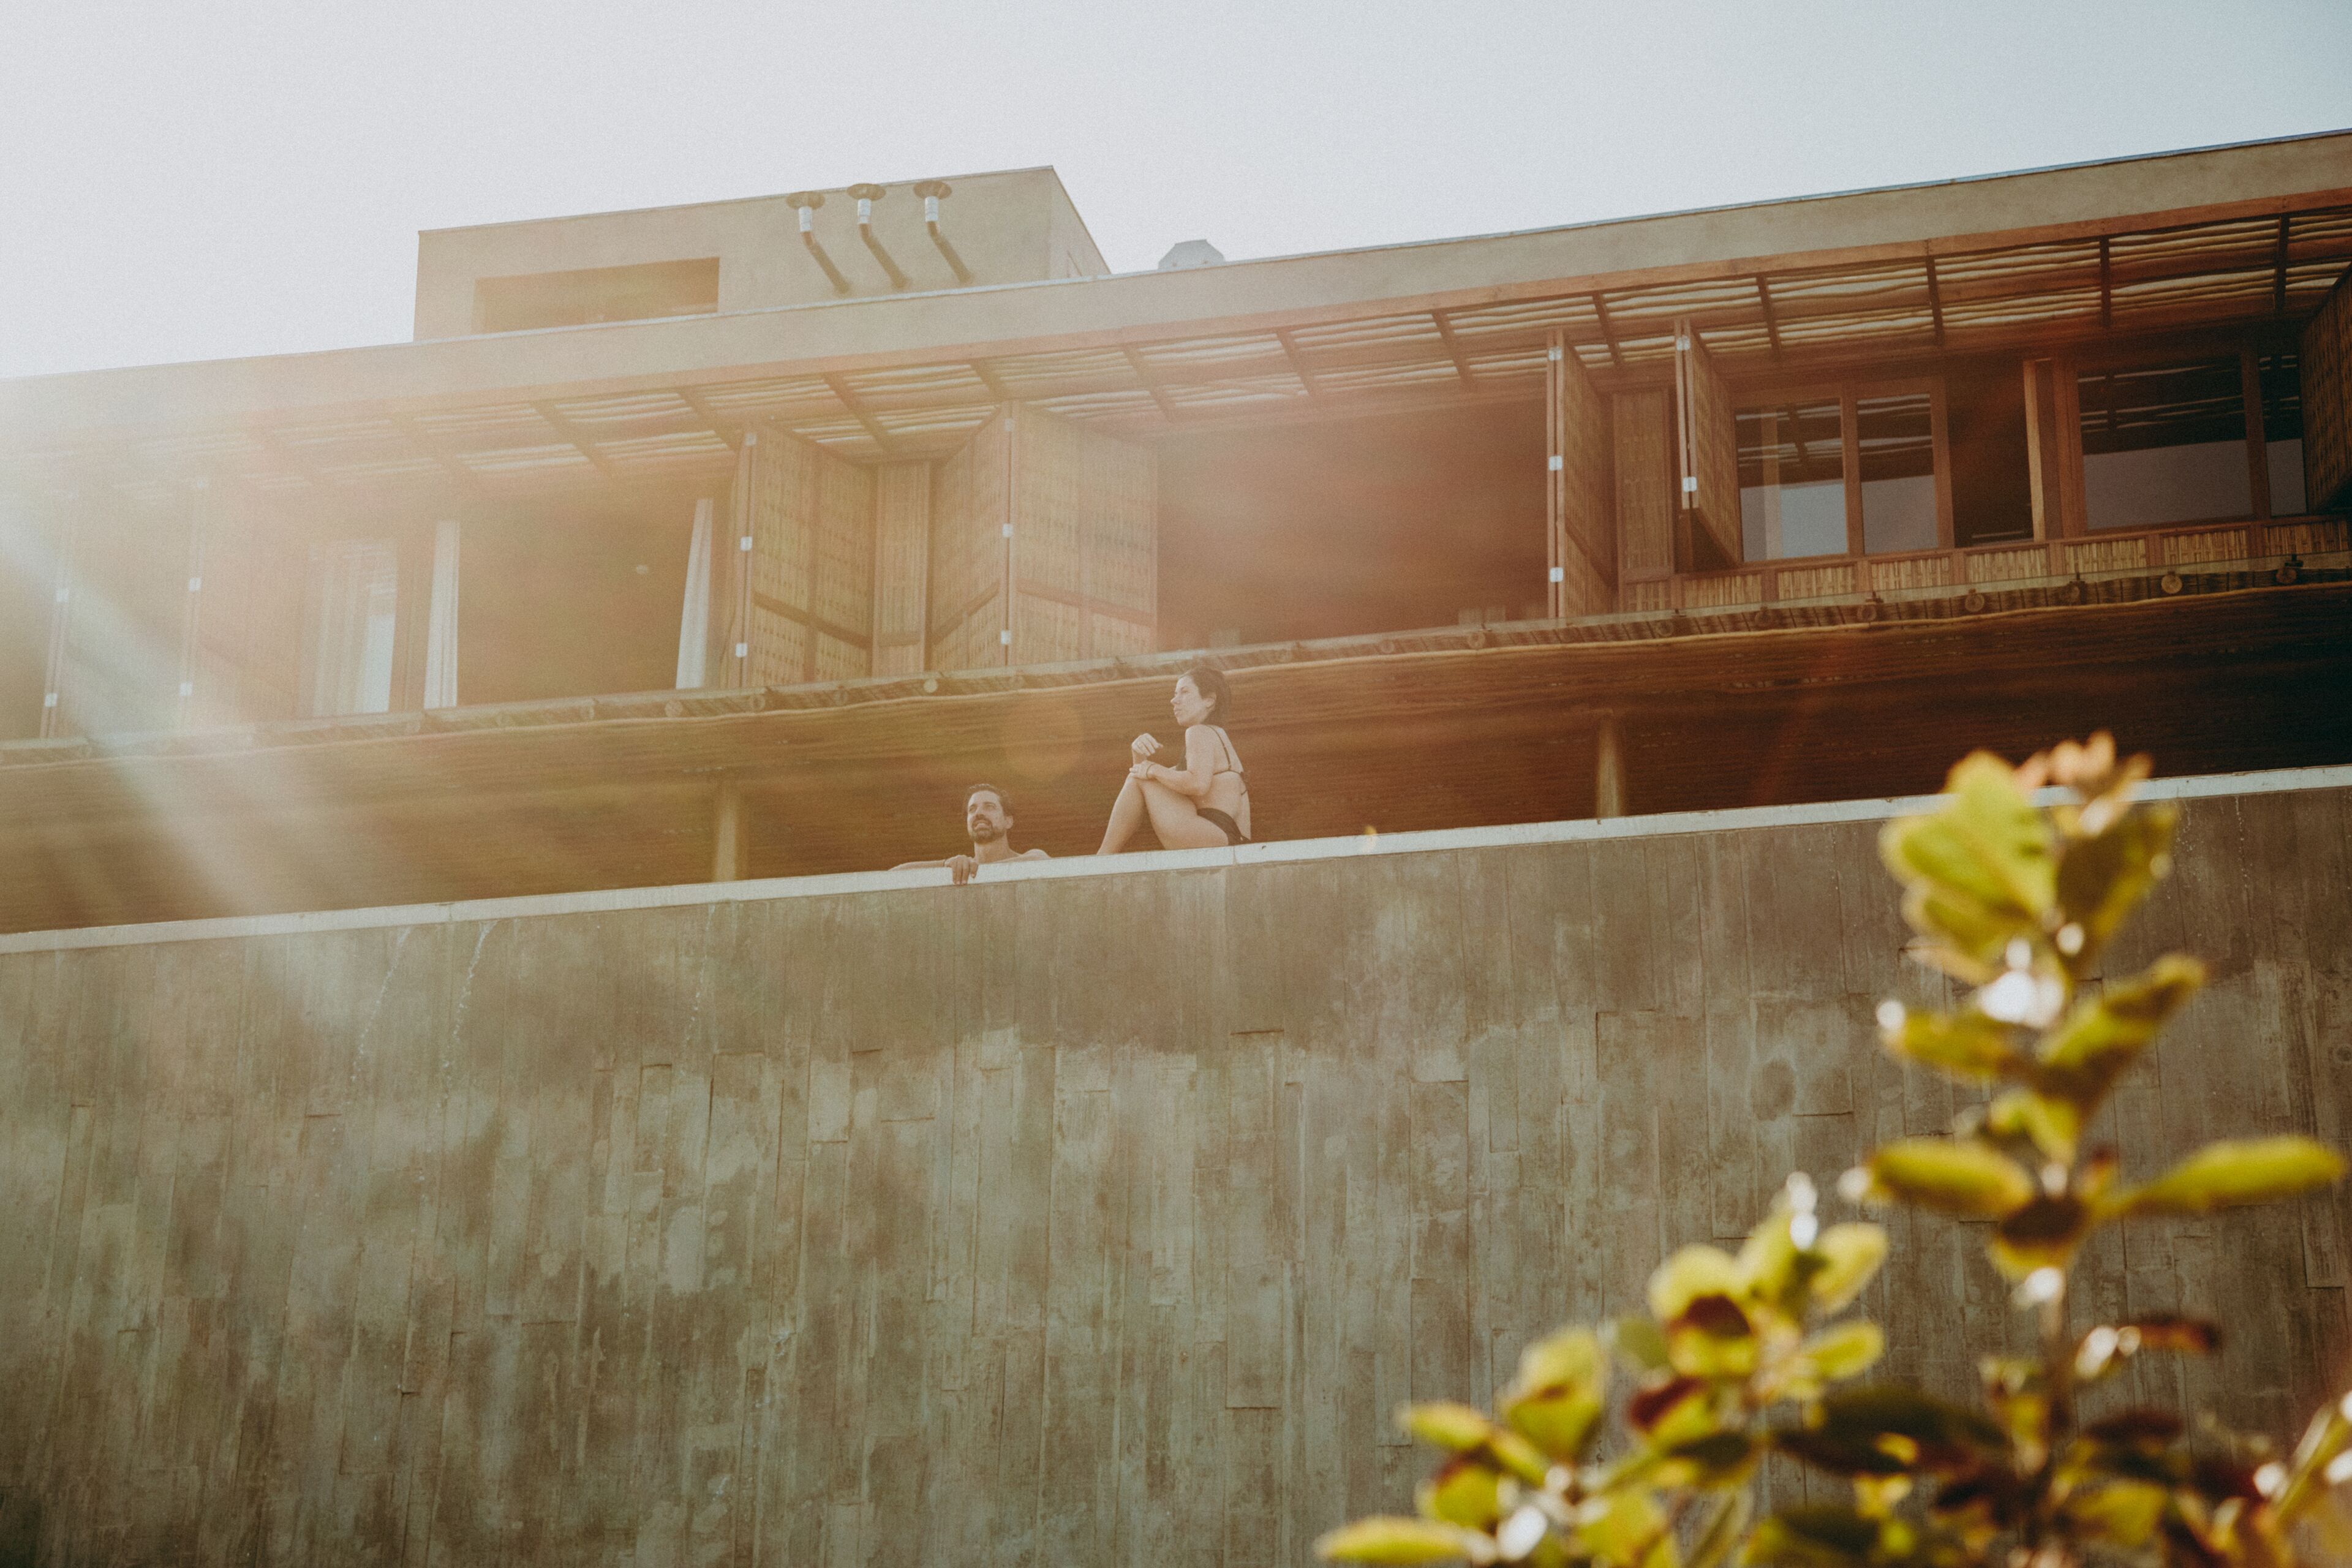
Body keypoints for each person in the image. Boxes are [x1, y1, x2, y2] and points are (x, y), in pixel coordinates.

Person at [1096, 666, 1253, 853]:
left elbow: (1197, 784)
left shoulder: (1199, 732)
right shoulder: (1215, 737)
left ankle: (1103, 856)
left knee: (1139, 777)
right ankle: (1102, 857)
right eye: (1175, 693)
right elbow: (1149, 784)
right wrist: (1138, 754)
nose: (1174, 700)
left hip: (1218, 835)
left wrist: (1152, 768)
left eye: (1184, 692)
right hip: (1228, 837)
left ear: (1209, 701)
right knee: (1140, 778)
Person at [893, 782, 1050, 884]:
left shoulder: (1031, 857)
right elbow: (895, 874)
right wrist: (945, 864)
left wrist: (979, 871)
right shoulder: (960, 868)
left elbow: (1042, 859)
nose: (979, 813)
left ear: (1008, 821)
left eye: (989, 807)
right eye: (972, 809)